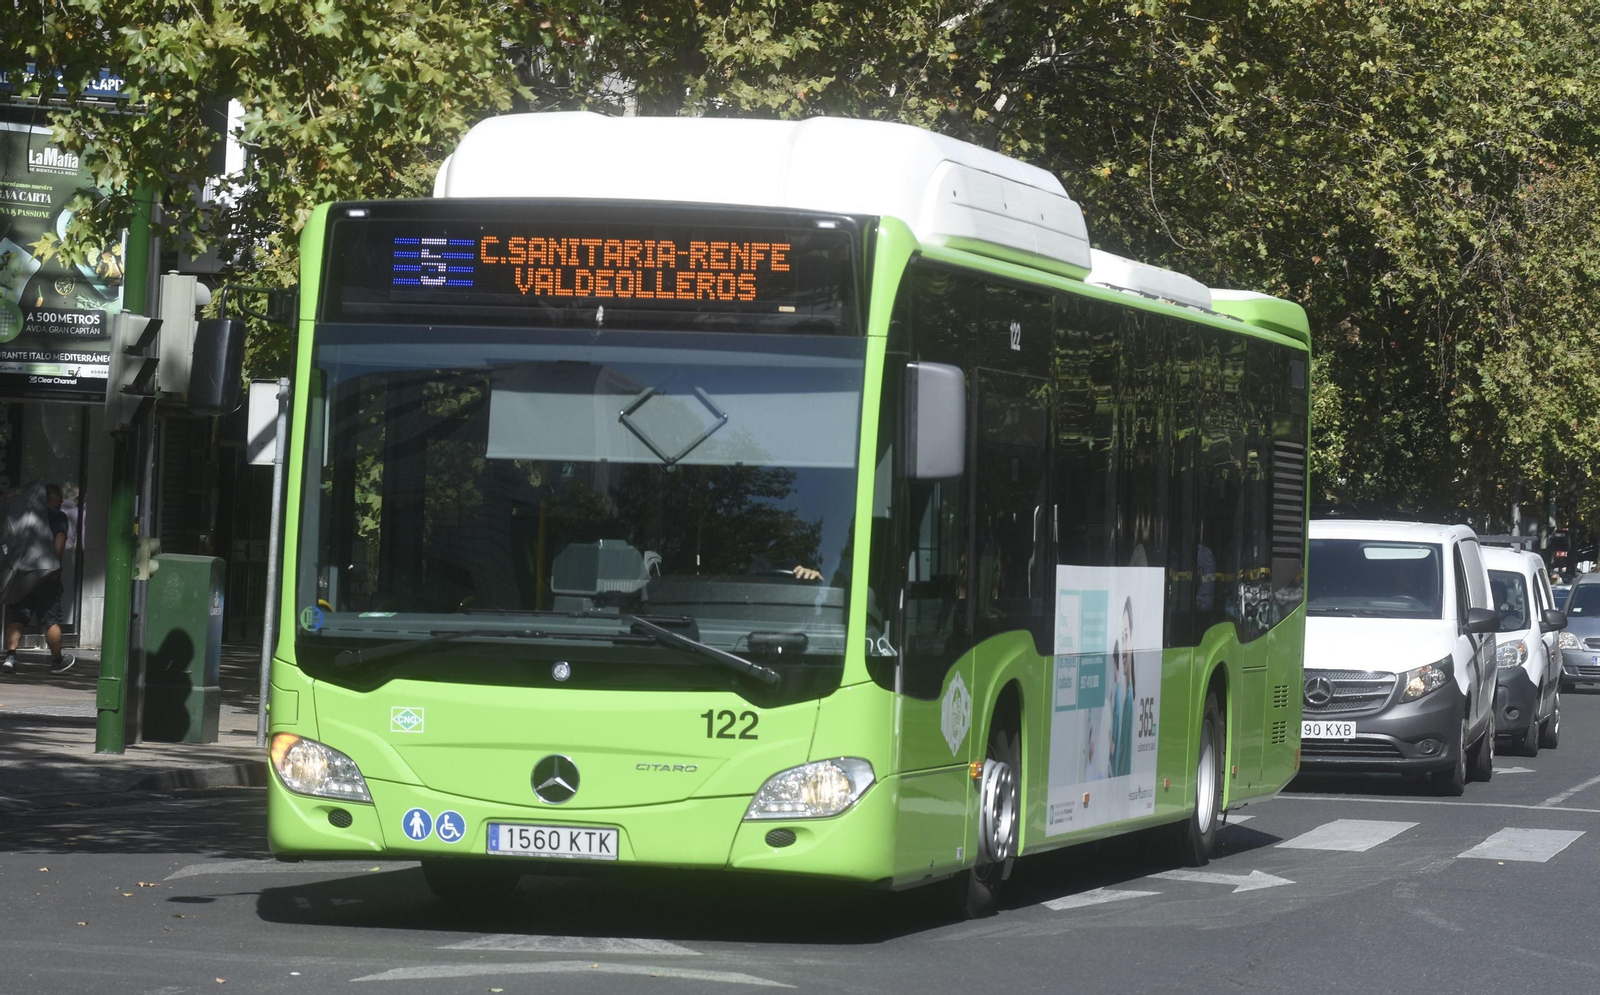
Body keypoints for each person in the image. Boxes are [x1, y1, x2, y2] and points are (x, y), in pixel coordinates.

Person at [3, 483, 74, 676]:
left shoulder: (25, 515)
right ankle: (57, 660)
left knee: (17, 616)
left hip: (22, 574)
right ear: (56, 499)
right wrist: (55, 567)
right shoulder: (57, 516)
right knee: (51, 620)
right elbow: (59, 539)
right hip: (45, 573)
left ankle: (10, 656)